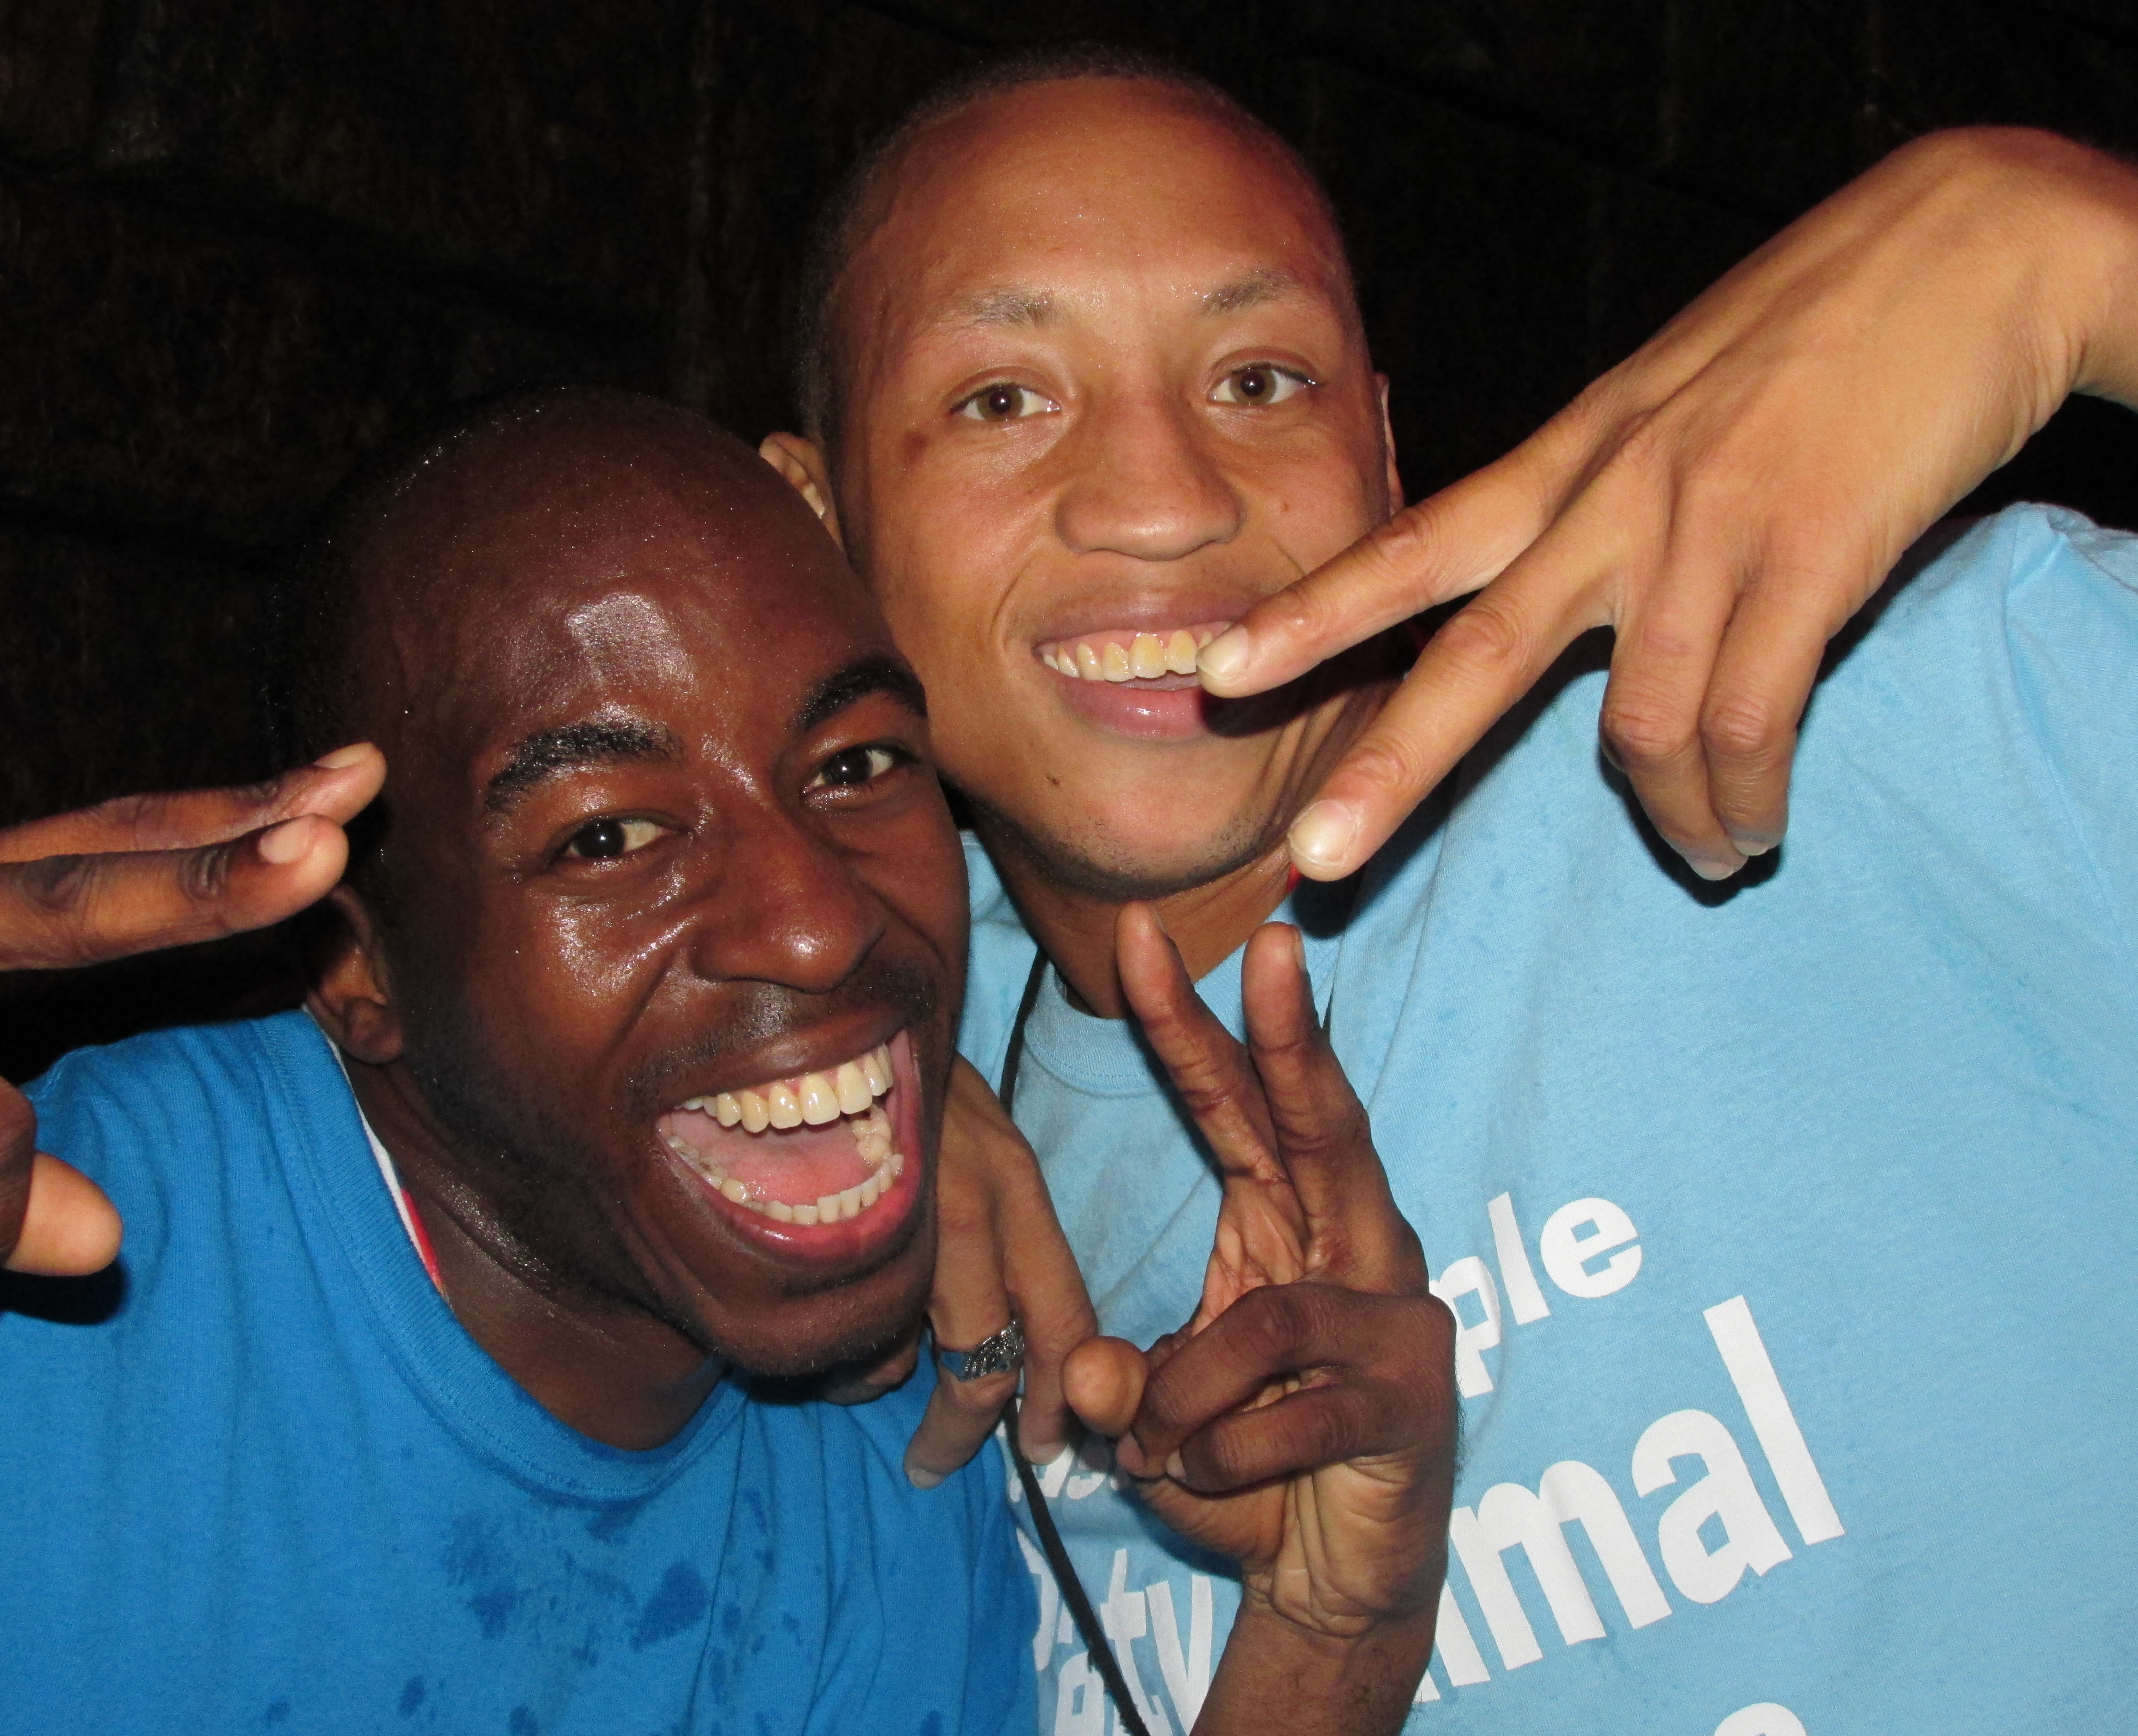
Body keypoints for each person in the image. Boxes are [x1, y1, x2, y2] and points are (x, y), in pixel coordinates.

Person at [751, 48, 2138, 1735]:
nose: (1163, 501)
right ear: (810, 530)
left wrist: (2072, 254)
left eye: (1260, 381)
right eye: (1002, 399)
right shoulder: (831, 1153)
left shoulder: (1881, 717)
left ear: (1387, 454)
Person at [0, 387, 1449, 1735]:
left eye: (860, 762)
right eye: (607, 834)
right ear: (355, 969)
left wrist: (1332, 1628)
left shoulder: (890, 1486)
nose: (815, 924)